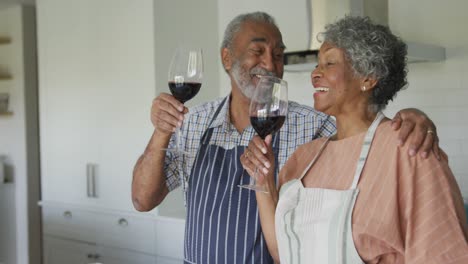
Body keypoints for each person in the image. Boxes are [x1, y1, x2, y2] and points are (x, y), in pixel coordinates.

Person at [132, 12, 440, 264]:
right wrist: (161, 133)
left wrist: (413, 117)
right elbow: (142, 200)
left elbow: (369, 137)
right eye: (258, 51)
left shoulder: (316, 126)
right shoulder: (195, 122)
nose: (270, 64)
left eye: (278, 55)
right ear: (227, 58)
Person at [242, 15, 468, 263]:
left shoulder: (409, 149)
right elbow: (283, 252)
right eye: (317, 65)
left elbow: (444, 255)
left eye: (329, 63)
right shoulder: (304, 158)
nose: (315, 73)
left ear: (368, 78)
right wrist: (262, 180)